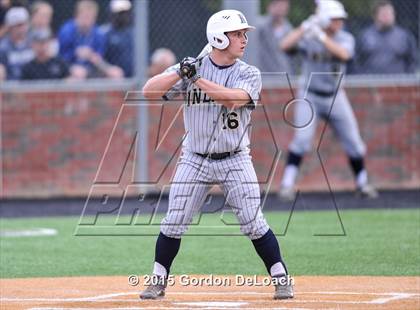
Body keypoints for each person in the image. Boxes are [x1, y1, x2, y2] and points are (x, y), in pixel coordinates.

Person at [140, 9, 294, 300]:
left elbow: (232, 100)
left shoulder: (249, 73)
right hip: (194, 158)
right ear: (218, 38)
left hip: (235, 158)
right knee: (174, 221)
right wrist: (178, 71)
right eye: (236, 34)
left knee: (252, 222)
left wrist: (196, 79)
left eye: (243, 34)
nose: (243, 39)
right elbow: (148, 92)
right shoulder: (191, 69)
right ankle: (157, 280)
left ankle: (281, 277)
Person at [278, 0, 378, 201]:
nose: (339, 22)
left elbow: (344, 54)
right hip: (309, 95)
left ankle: (362, 182)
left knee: (354, 142)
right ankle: (287, 184)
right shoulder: (310, 35)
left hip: (335, 95)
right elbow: (284, 45)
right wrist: (306, 27)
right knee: (302, 140)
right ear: (324, 19)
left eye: (340, 19)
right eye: (334, 19)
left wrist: (322, 36)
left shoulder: (344, 37)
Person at [58, 0, 120, 79]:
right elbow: (61, 58)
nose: (87, 21)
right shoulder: (66, 31)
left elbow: (99, 58)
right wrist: (75, 53)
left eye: (91, 17)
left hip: (92, 68)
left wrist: (91, 55)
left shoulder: (98, 33)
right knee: (77, 75)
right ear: (77, 16)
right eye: (85, 16)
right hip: (70, 68)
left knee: (116, 73)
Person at [356, 0, 417, 74]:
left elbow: (413, 62)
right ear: (375, 16)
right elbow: (357, 62)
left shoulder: (404, 36)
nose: (388, 17)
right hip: (370, 83)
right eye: (384, 14)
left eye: (390, 13)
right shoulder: (365, 36)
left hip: (398, 83)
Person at [257, 0, 293, 73]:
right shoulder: (260, 26)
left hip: (284, 75)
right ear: (270, 6)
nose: (280, 7)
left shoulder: (289, 29)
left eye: (283, 4)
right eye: (277, 4)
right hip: (264, 75)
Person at [0, 6, 33, 80]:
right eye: (18, 25)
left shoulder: (34, 42)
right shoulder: (3, 47)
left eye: (25, 24)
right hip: (12, 86)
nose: (23, 28)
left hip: (34, 85)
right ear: (10, 27)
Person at [103, 0, 133, 77]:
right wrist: (109, 69)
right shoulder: (105, 33)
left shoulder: (134, 34)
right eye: (120, 13)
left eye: (126, 12)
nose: (123, 16)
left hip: (134, 76)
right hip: (113, 78)